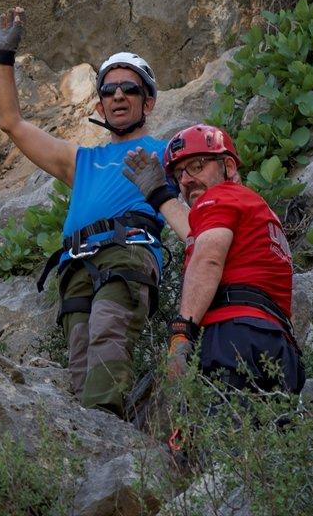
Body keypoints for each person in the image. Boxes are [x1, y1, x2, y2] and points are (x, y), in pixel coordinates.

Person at [0, 6, 189, 418]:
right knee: (81, 364)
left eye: (129, 89)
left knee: (107, 332)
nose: (118, 95)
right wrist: (3, 58)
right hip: (76, 264)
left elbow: (202, 199)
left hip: (128, 253)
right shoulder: (80, 160)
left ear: (148, 102)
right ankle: (98, 434)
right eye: (109, 90)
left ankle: (106, 428)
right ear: (100, 106)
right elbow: (11, 123)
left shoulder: (167, 153)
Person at [122, 123, 303, 393]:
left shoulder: (219, 197)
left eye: (197, 166)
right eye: (179, 174)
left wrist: (182, 330)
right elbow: (198, 235)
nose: (185, 180)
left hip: (235, 335)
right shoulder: (251, 208)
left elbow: (208, 257)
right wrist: (160, 195)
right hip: (277, 344)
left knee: (222, 416)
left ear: (228, 166)